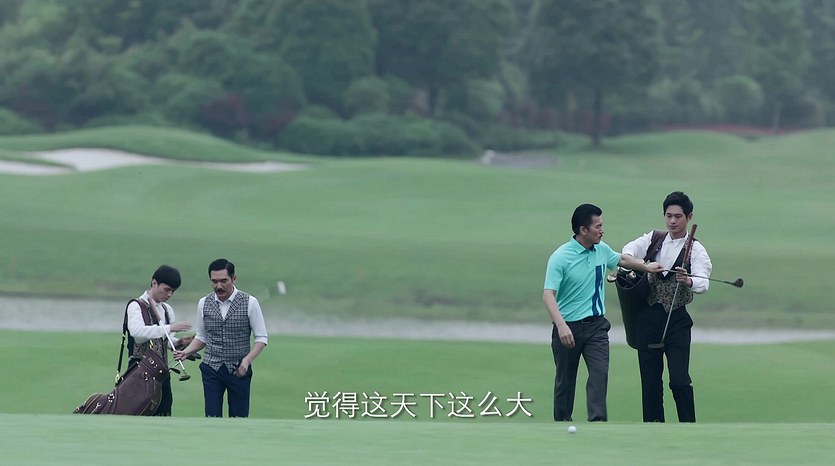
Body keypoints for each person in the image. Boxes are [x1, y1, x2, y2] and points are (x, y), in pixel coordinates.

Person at [543, 203, 663, 422]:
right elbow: (548, 295)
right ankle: (562, 423)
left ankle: (597, 423)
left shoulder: (602, 250)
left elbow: (621, 259)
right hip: (568, 327)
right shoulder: (560, 257)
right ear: (583, 230)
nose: (602, 230)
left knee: (599, 375)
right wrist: (561, 326)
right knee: (565, 381)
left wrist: (646, 267)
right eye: (597, 226)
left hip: (596, 327)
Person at [622, 191, 712, 423]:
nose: (672, 221)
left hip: (677, 322)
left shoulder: (696, 250)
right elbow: (627, 253)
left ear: (689, 217)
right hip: (648, 319)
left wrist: (688, 280)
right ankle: (653, 429)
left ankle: (688, 427)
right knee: (650, 384)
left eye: (678, 217)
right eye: (668, 216)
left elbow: (703, 282)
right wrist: (644, 266)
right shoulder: (654, 239)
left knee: (679, 381)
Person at [175, 258, 268, 418]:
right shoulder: (203, 303)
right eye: (214, 281)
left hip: (239, 369)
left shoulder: (250, 302)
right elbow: (202, 337)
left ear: (233, 278)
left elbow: (261, 338)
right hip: (211, 368)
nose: (219, 286)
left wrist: (247, 360)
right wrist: (186, 352)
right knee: (211, 417)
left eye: (224, 281)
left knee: (239, 418)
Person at [126, 265, 192, 416]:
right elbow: (137, 334)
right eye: (167, 289)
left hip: (162, 373)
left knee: (164, 414)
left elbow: (164, 341)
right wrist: (169, 328)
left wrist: (179, 343)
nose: (169, 294)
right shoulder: (136, 306)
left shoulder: (167, 310)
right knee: (138, 415)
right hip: (138, 372)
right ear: (154, 283)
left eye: (173, 291)